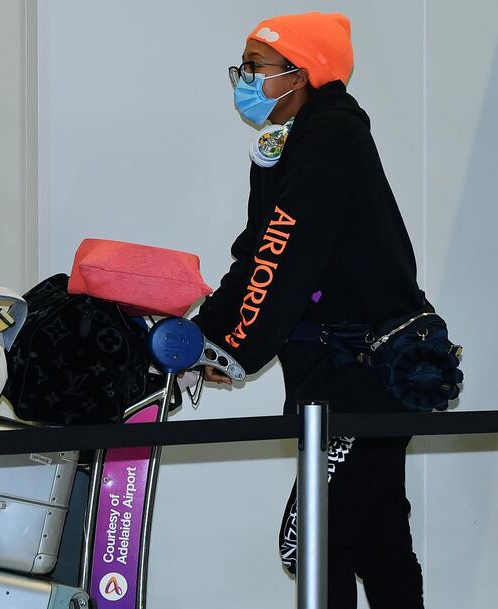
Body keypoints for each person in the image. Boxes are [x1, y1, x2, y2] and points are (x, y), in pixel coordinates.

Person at [193, 11, 425, 608]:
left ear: (302, 73)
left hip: (365, 376)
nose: (244, 78)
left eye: (256, 66)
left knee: (312, 542)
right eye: (241, 66)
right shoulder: (282, 144)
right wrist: (199, 336)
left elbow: (285, 256)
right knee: (377, 540)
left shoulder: (332, 135)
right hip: (330, 373)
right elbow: (255, 252)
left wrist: (240, 350)